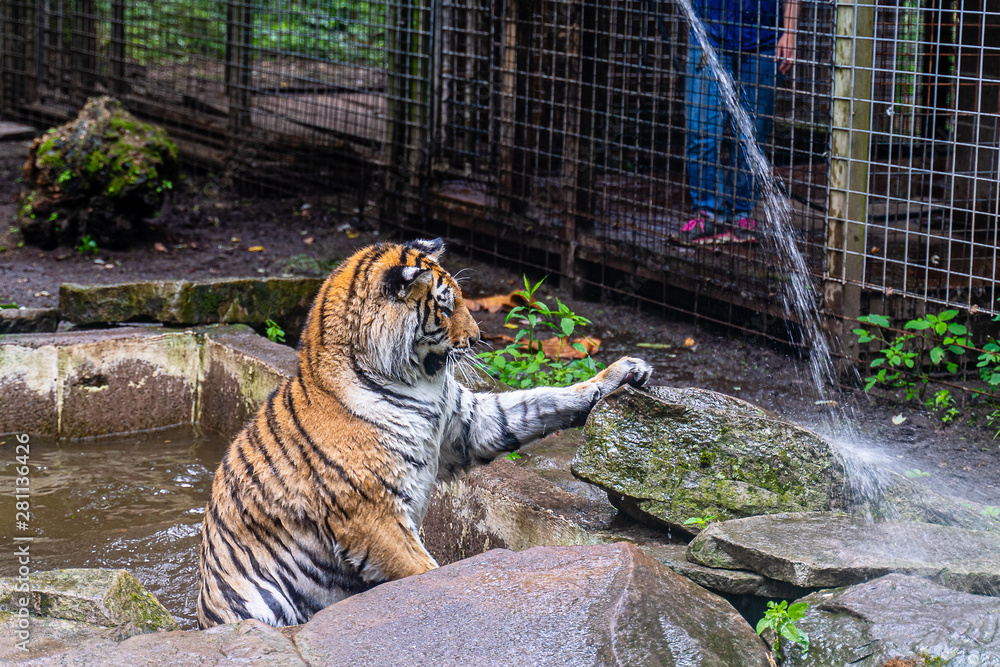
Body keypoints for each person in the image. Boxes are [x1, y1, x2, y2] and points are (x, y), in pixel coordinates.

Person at [674, 0, 799, 245]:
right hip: (709, 36)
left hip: (764, 39)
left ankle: (742, 213)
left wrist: (790, 32)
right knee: (701, 129)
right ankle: (708, 214)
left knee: (752, 136)